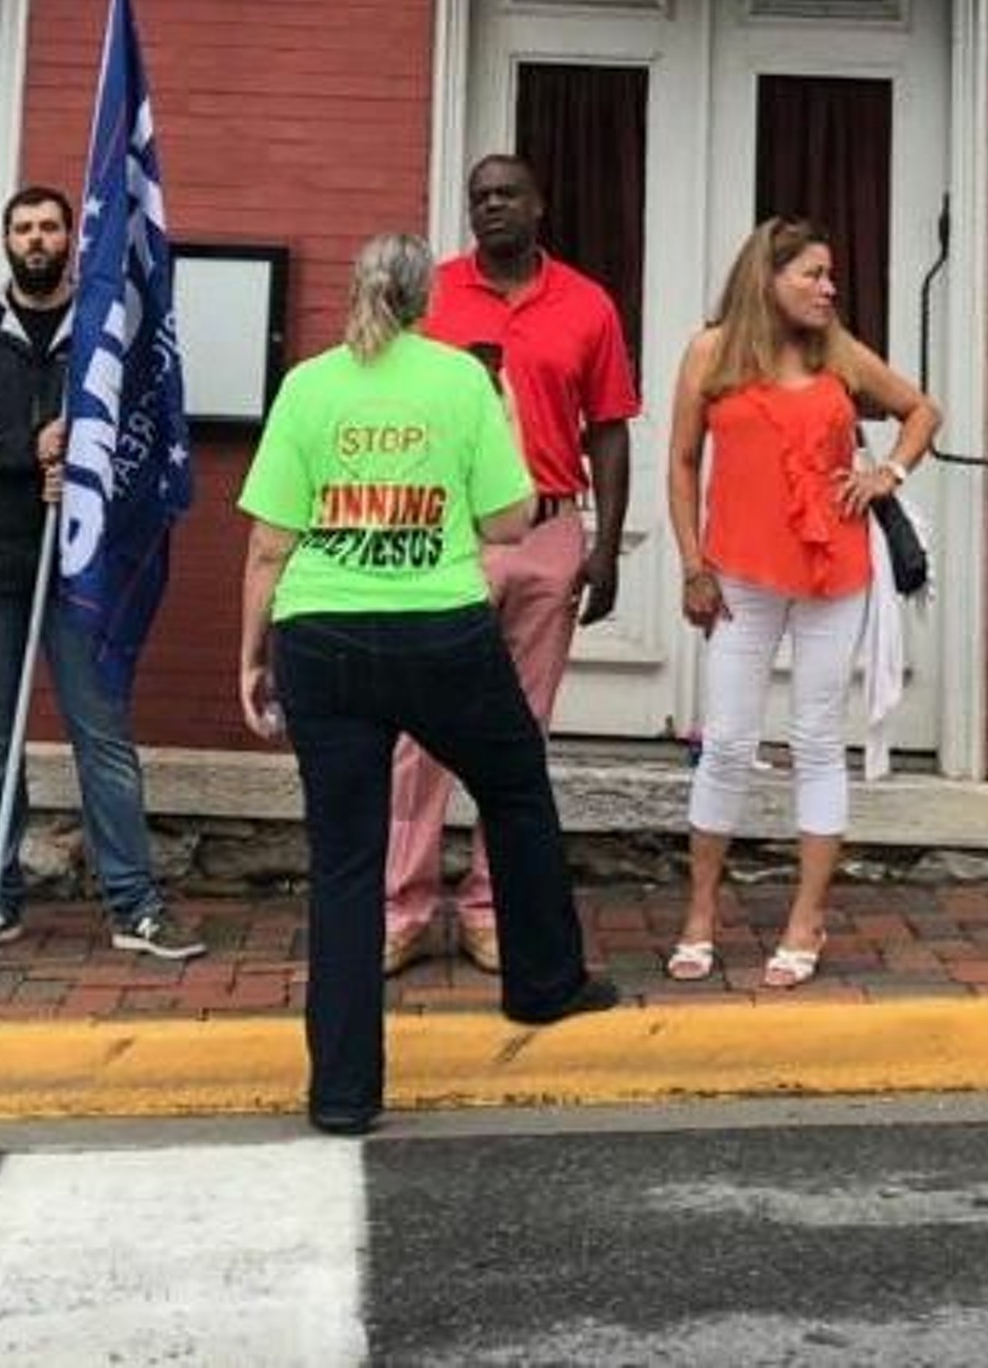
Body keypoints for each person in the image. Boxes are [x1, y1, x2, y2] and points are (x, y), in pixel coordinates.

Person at [238, 232, 619, 1136]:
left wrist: (251, 657)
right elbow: (510, 520)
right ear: (427, 303)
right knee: (515, 789)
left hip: (321, 635)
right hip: (440, 633)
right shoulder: (460, 381)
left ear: (357, 292)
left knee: (345, 861)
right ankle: (543, 980)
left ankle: (342, 1091)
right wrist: (507, 424)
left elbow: (269, 544)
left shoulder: (309, 386)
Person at [0, 184, 203, 960]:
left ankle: (135, 904)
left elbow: (139, 421)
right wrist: (30, 448)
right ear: (6, 240)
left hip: (82, 563)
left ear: (71, 239)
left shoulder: (104, 330)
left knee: (101, 734)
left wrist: (78, 461)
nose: (36, 239)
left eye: (49, 227)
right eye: (23, 228)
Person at [668, 215, 940, 990]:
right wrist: (692, 563)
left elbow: (922, 411)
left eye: (829, 275)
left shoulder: (838, 352)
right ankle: (699, 915)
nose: (828, 288)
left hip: (833, 572)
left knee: (817, 741)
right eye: (813, 274)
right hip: (740, 573)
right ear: (769, 277)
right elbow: (683, 462)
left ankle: (805, 920)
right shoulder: (712, 351)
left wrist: (888, 473)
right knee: (727, 741)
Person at [384, 153, 638, 976]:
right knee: (422, 725)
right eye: (480, 197)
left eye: (507, 195)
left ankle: (489, 906)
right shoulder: (432, 297)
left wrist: (606, 545)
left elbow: (609, 427)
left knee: (519, 734)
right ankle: (403, 906)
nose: (492, 206)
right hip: (446, 533)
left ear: (539, 206)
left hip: (549, 532)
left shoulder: (587, 304)